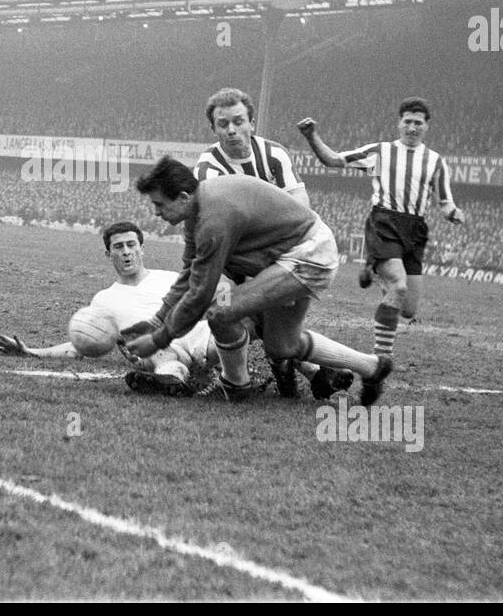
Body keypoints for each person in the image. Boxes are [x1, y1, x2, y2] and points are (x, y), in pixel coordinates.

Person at [123, 158, 393, 405]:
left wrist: (158, 340)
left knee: (221, 312)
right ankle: (372, 367)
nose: (157, 213)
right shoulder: (198, 212)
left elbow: (199, 293)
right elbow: (189, 274)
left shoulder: (213, 219)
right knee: (282, 346)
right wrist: (157, 321)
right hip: (295, 254)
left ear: (182, 197)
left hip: (308, 255)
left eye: (159, 204)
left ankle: (235, 384)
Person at [193, 87, 350, 399]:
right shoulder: (208, 168)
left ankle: (290, 368)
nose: (232, 130)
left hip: (284, 252)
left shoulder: (274, 154)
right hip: (239, 259)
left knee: (269, 319)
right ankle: (303, 369)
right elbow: (221, 230)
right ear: (213, 129)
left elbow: (300, 207)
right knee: (237, 315)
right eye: (223, 124)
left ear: (252, 121)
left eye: (238, 121)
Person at [296, 97, 465, 360]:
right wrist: (312, 136)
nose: (412, 128)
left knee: (408, 310)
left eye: (418, 123)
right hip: (384, 222)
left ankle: (373, 270)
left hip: (415, 230)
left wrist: (453, 213)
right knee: (398, 287)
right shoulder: (380, 152)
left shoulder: (435, 161)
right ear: (399, 123)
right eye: (407, 122)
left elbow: (445, 202)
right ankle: (381, 360)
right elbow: (334, 160)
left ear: (426, 127)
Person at [0, 221, 217, 396]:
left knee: (224, 330)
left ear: (142, 249)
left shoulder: (171, 278)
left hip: (195, 332)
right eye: (118, 247)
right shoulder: (104, 300)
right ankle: (174, 382)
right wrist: (32, 352)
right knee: (162, 356)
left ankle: (231, 377)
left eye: (131, 245)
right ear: (109, 254)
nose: (126, 252)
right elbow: (82, 344)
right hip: (155, 347)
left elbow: (206, 302)